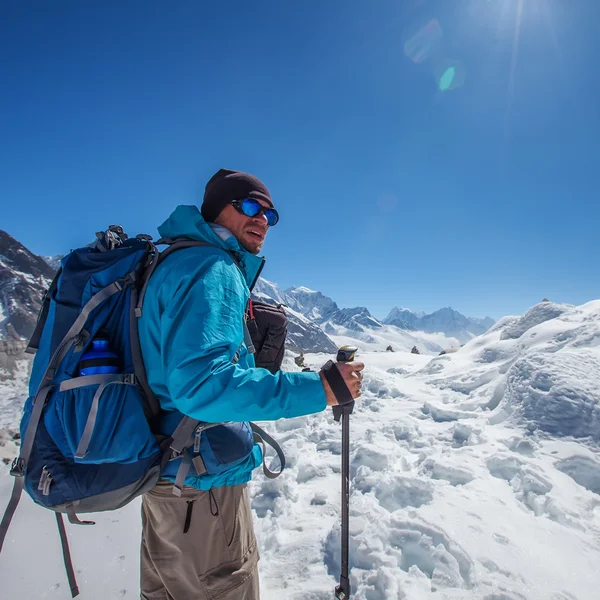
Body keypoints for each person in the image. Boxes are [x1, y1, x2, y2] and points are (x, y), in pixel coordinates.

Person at [137, 168, 364, 600]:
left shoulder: (173, 260)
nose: (262, 219)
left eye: (270, 214)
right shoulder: (213, 267)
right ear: (215, 210)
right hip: (201, 489)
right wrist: (322, 389)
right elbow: (204, 385)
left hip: (165, 477)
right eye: (249, 206)